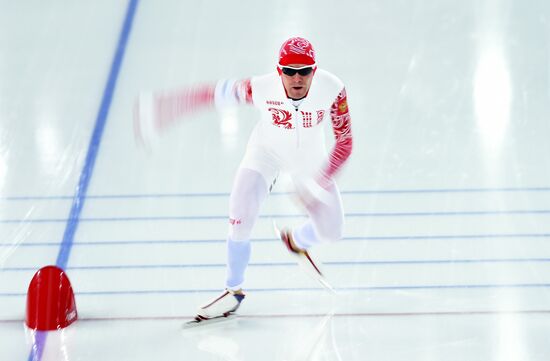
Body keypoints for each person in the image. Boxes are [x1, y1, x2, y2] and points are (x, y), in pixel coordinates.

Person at [134, 37, 353, 321]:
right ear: (278, 71)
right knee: (240, 211)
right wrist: (164, 108)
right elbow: (210, 95)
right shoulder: (259, 88)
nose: (297, 78)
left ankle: (297, 241)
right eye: (289, 71)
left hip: (309, 163)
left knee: (333, 231)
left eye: (304, 71)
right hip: (266, 153)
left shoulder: (332, 89)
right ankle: (233, 289)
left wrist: (318, 181)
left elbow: (345, 142)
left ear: (315, 70)